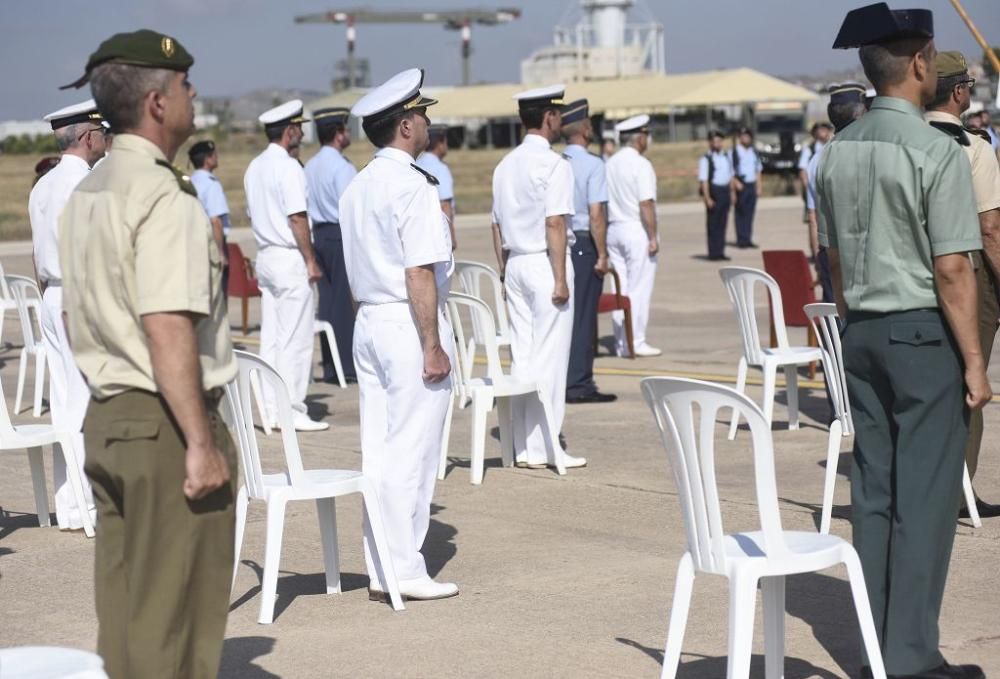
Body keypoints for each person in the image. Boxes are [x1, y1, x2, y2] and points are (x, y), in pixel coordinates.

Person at [58, 30, 237, 678]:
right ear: (159, 103)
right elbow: (166, 325)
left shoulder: (89, 190)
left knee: (128, 617)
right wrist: (199, 441)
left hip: (109, 416)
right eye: (185, 86)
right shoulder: (165, 195)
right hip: (165, 423)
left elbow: (76, 310)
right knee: (176, 625)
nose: (194, 95)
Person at [821, 6, 991, 678]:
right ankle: (913, 656)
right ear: (920, 64)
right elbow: (953, 268)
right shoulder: (933, 150)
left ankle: (876, 646)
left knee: (875, 494)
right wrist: (976, 361)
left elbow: (832, 258)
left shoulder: (836, 151)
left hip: (859, 330)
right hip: (922, 335)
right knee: (923, 502)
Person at [339, 68, 458, 601]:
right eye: (423, 114)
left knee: (381, 448)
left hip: (369, 319)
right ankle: (405, 568)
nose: (429, 121)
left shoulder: (359, 184)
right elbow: (419, 271)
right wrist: (431, 344)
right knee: (413, 447)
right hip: (406, 322)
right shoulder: (411, 185)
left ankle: (382, 562)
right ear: (406, 125)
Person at [491, 84, 586, 469]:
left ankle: (527, 446)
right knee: (550, 359)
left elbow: (495, 226)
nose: (561, 120)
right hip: (545, 263)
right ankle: (548, 446)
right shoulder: (554, 165)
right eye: (558, 114)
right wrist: (560, 278)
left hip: (514, 263)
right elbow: (555, 224)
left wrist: (503, 272)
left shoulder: (504, 165)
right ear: (548, 117)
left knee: (525, 358)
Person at [925, 51, 1000, 519]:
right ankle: (956, 494)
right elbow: (990, 230)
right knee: (970, 388)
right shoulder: (973, 146)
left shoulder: (903, 142)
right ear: (958, 92)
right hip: (968, 271)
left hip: (915, 272)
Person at [27, 99, 106, 532]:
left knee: (64, 402)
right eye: (102, 132)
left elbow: (39, 257)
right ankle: (89, 505)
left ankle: (71, 505)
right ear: (89, 136)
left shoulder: (44, 185)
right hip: (78, 298)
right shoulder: (86, 184)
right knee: (86, 404)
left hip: (52, 297)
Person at [244, 100, 327, 432]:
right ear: (290, 131)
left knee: (273, 338)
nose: (302, 133)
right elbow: (297, 217)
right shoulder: (289, 167)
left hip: (266, 254)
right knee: (296, 338)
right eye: (299, 128)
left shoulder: (255, 167)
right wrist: (310, 260)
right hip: (289, 256)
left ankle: (268, 407)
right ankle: (291, 408)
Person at [560, 99, 615, 403]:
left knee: (564, 316)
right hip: (583, 245)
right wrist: (603, 253)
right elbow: (596, 215)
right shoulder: (594, 165)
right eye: (590, 122)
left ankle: (563, 378)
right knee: (582, 318)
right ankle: (579, 384)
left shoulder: (557, 162)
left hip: (558, 245)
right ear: (582, 128)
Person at [304, 107, 359, 384]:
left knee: (327, 303)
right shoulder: (343, 167)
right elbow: (351, 208)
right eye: (346, 129)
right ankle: (347, 367)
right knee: (344, 305)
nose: (348, 134)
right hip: (339, 234)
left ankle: (329, 364)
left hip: (320, 235)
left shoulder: (311, 165)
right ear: (338, 134)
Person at [806, 83, 869, 303]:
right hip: (862, 253)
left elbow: (813, 216)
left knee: (834, 322)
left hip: (829, 250)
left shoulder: (818, 159)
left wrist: (817, 253)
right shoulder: (867, 154)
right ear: (860, 113)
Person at [607, 114, 661, 357]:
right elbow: (646, 204)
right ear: (640, 138)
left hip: (613, 228)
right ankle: (636, 340)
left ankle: (621, 341)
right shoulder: (641, 165)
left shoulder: (610, 163)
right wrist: (653, 236)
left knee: (621, 289)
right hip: (635, 228)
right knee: (639, 288)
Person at [188, 139, 230, 295]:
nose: (217, 157)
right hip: (213, 243)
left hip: (196, 243)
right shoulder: (211, 184)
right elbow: (215, 221)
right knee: (219, 294)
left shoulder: (191, 181)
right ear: (207, 159)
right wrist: (220, 253)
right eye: (214, 155)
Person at [416, 123, 458, 249]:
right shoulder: (440, 168)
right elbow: (445, 204)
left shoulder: (416, 163)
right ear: (440, 143)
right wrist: (451, 237)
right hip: (438, 234)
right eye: (445, 141)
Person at [698, 130, 734, 261]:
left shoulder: (726, 157)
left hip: (725, 191)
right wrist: (707, 198)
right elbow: (704, 180)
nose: (717, 144)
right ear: (710, 143)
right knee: (713, 224)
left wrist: (732, 193)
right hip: (714, 191)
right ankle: (713, 252)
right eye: (715, 141)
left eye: (719, 141)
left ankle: (720, 251)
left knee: (723, 223)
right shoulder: (706, 159)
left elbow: (730, 176)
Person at [731, 127, 762, 248]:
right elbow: (730, 170)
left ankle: (748, 238)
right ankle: (741, 239)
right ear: (740, 138)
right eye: (744, 136)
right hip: (741, 184)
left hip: (751, 184)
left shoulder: (753, 151)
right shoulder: (734, 152)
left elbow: (758, 170)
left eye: (748, 136)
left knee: (750, 213)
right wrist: (735, 182)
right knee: (740, 213)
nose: (746, 138)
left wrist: (759, 186)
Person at [798, 121, 832, 221]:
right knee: (813, 219)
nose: (825, 132)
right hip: (814, 186)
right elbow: (802, 169)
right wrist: (806, 187)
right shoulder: (810, 149)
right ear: (815, 133)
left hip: (829, 185)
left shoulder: (833, 146)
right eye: (821, 130)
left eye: (826, 130)